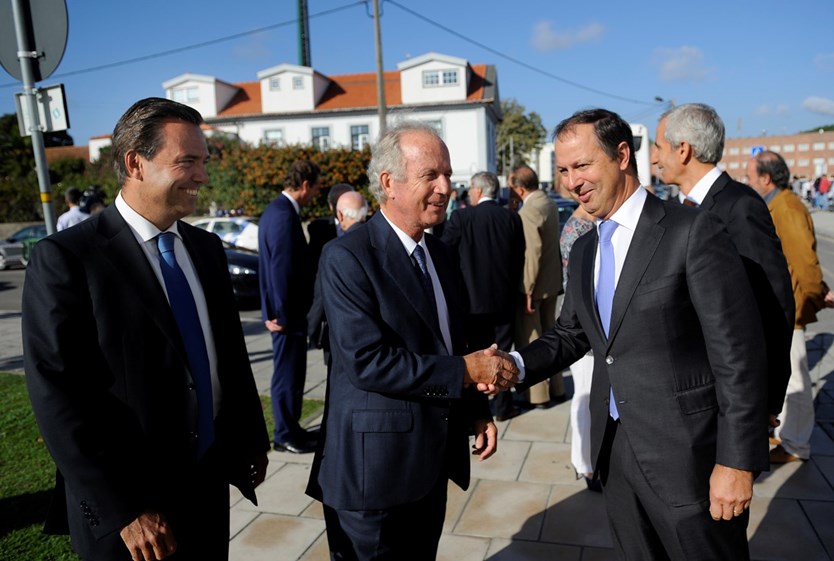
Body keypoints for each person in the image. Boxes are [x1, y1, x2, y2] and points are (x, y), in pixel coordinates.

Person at [512, 108, 768, 560]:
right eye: (564, 170)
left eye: (583, 165)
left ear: (622, 155)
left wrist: (737, 462)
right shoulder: (587, 246)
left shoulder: (692, 230)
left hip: (688, 458)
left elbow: (739, 356)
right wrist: (511, 366)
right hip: (615, 451)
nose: (572, 182)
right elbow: (572, 334)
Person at [22, 97, 269, 561]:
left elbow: (228, 355)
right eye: (188, 162)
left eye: (204, 162)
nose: (202, 175)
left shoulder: (206, 248)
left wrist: (250, 437)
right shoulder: (68, 258)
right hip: (132, 516)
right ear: (136, 163)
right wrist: (124, 509)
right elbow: (59, 396)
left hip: (206, 488)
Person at [306, 121, 517, 561]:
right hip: (373, 476)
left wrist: (475, 411)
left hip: (430, 462)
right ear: (389, 183)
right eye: (430, 176)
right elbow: (367, 360)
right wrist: (465, 372)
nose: (445, 188)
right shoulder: (347, 256)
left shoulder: (440, 251)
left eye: (448, 175)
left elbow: (453, 339)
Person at [652, 103, 794, 430]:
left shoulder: (739, 206)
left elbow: (775, 305)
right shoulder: (679, 210)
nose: (654, 158)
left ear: (683, 150)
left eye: (659, 147)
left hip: (727, 397)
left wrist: (766, 398)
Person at [746, 151, 834, 463]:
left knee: (796, 378)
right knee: (785, 375)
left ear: (766, 178)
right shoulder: (777, 203)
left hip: (791, 309)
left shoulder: (786, 207)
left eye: (750, 176)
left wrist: (809, 300)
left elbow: (805, 265)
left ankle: (797, 444)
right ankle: (786, 433)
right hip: (784, 307)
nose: (748, 181)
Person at [441, 171, 525, 421]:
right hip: (503, 299)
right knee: (502, 354)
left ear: (477, 191)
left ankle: (478, 409)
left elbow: (445, 253)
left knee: (476, 356)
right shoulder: (510, 217)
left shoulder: (461, 217)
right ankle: (503, 406)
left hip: (470, 302)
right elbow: (519, 258)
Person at [258, 159, 321, 454]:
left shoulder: (275, 211)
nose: (317, 194)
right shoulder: (283, 215)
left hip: (283, 313)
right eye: (317, 187)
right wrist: (281, 314)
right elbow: (280, 270)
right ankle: (285, 434)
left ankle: (290, 429)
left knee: (291, 374)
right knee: (288, 376)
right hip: (287, 316)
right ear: (305, 184)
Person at [509, 165, 565, 408]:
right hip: (552, 282)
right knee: (552, 337)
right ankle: (558, 388)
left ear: (520, 188)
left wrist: (527, 290)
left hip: (536, 285)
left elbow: (533, 252)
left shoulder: (529, 210)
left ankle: (539, 395)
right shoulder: (548, 202)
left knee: (532, 340)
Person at [558, 196, 598, 490]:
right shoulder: (577, 229)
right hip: (582, 327)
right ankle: (585, 465)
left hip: (590, 326)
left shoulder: (589, 224)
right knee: (583, 396)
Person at [307, 189, 368, 363]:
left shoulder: (334, 249)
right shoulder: (382, 242)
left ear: (340, 215)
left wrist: (312, 329)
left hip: (340, 335)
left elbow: (321, 296)